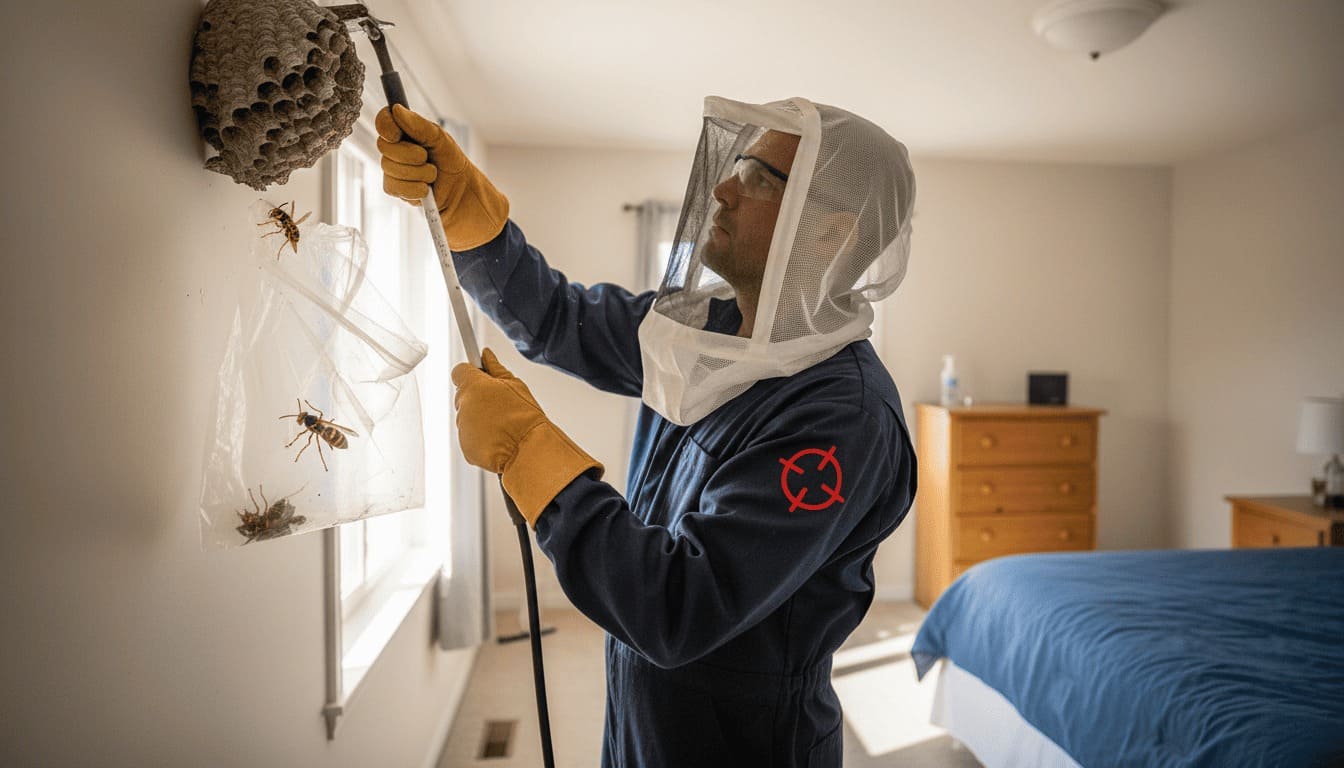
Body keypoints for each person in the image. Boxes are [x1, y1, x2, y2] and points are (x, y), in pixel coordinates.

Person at [377, 95, 917, 768]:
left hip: (742, 740)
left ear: (829, 233)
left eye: (758, 179)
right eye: (737, 166)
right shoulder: (705, 329)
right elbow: (558, 320)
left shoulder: (840, 417)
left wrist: (533, 457)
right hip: (642, 695)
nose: (722, 189)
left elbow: (680, 605)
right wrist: (472, 222)